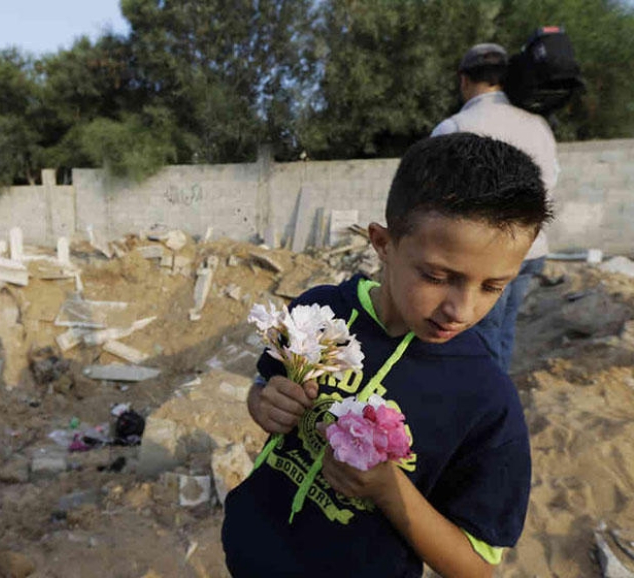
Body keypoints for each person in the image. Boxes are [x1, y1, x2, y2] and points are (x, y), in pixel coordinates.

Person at [222, 133, 551, 577]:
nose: (463, 309)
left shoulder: (486, 401)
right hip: (250, 552)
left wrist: (387, 488)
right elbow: (262, 388)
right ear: (382, 243)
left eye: (493, 287)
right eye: (437, 276)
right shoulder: (319, 312)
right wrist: (264, 403)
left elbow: (476, 567)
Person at [431, 43, 559, 372]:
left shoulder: (455, 127)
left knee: (479, 338)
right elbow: (551, 182)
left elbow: (434, 200)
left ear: (463, 80)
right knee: (502, 332)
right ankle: (498, 394)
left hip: (482, 260)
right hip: (529, 250)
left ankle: (486, 405)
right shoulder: (537, 125)